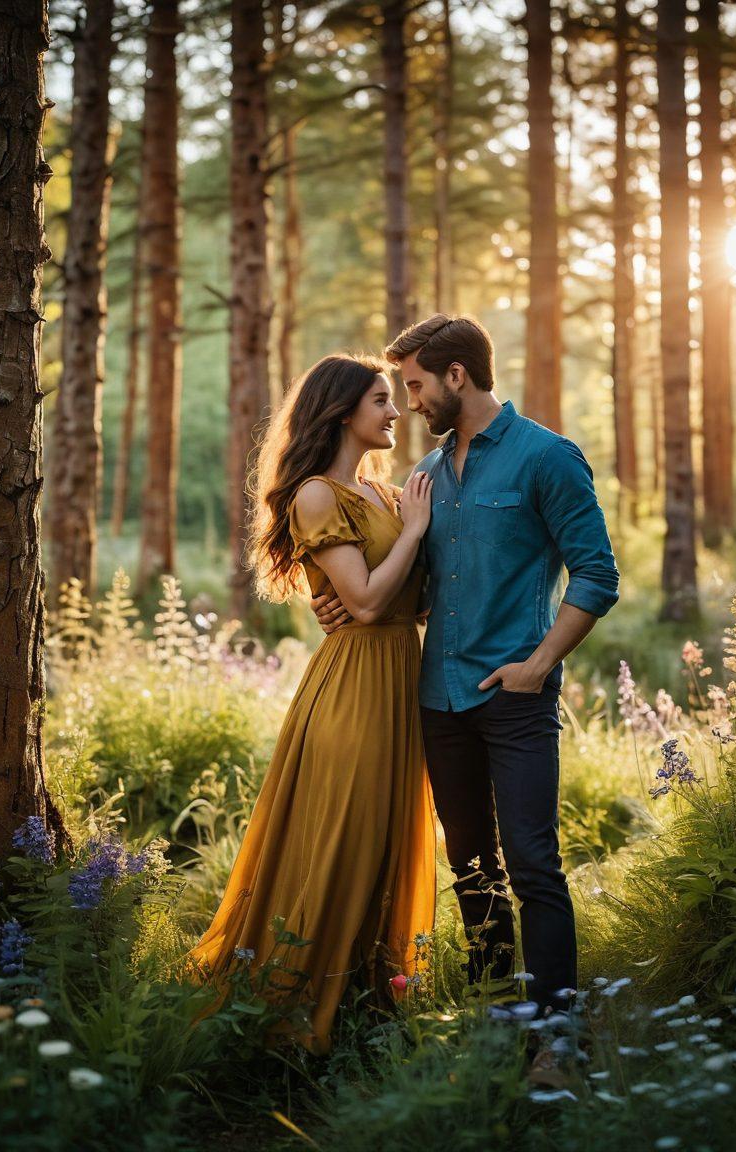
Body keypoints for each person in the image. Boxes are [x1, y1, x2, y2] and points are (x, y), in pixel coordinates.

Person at [312, 315, 619, 1025]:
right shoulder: (422, 478)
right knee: (472, 868)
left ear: (457, 376)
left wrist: (538, 665)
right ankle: (493, 1013)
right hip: (438, 702)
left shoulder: (547, 457)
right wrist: (333, 604)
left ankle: (554, 1033)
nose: (410, 402)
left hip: (514, 698)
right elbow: (409, 588)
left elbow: (597, 575)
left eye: (417, 385)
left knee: (534, 865)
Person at [186, 354, 436, 1055]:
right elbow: (365, 602)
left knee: (385, 837)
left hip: (400, 677)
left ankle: (368, 998)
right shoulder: (319, 497)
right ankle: (297, 1005)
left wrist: (400, 569)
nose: (395, 411)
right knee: (343, 838)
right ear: (342, 411)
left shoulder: (382, 493)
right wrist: (413, 534)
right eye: (381, 400)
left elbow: (406, 602)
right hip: (353, 689)